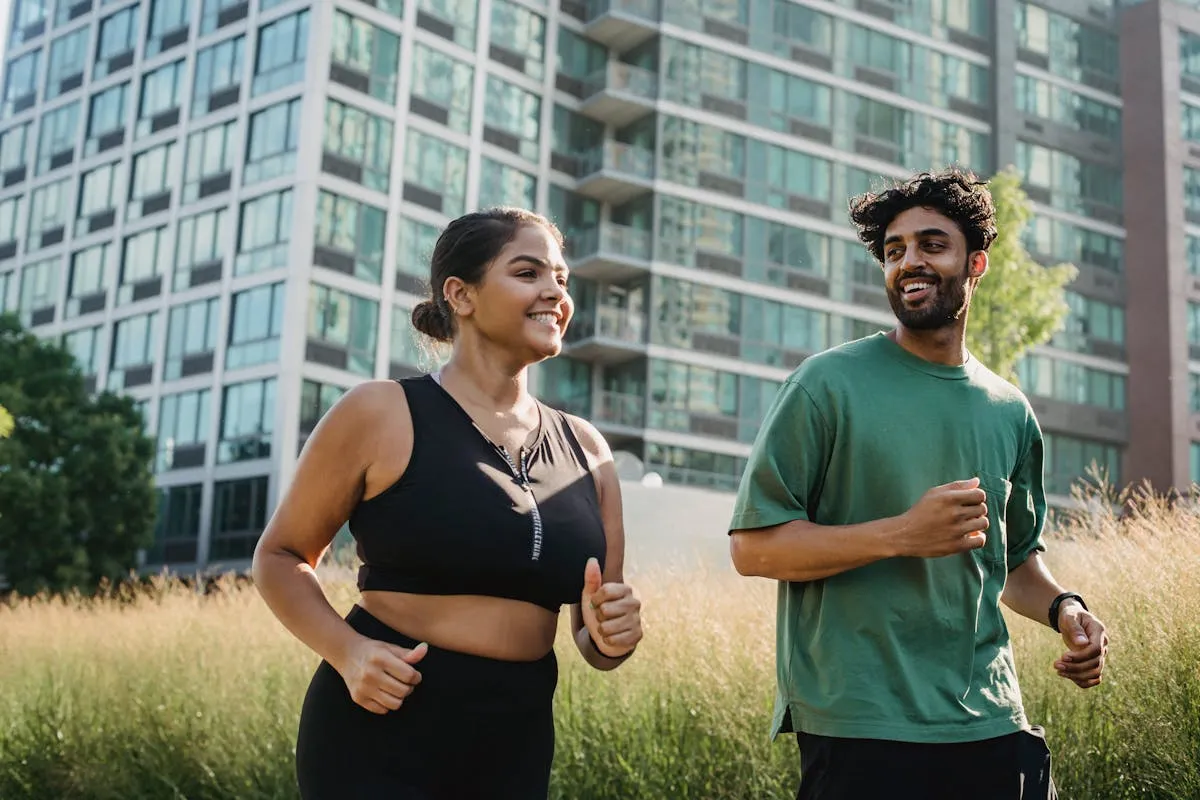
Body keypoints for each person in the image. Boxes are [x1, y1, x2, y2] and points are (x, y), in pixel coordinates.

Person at [726, 168, 1109, 800]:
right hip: (861, 724)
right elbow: (755, 548)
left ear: (976, 264)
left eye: (932, 244)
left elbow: (1013, 564)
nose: (910, 262)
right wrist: (903, 535)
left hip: (990, 719)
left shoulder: (1009, 410)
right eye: (895, 250)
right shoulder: (826, 384)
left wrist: (1067, 608)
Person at [252, 207, 643, 799]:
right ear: (460, 294)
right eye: (528, 272)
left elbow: (593, 639)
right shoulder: (380, 412)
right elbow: (279, 556)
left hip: (516, 740)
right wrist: (348, 653)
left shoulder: (590, 450)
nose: (554, 293)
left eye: (561, 279)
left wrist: (612, 635)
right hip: (382, 729)